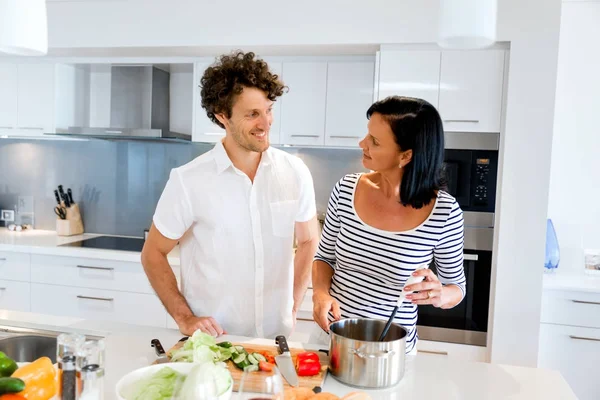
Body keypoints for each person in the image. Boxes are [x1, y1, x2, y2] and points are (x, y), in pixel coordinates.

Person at [142, 51, 320, 339]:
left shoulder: (295, 171)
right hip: (215, 343)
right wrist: (184, 317)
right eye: (252, 114)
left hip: (276, 341)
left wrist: (294, 303)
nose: (266, 123)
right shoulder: (188, 181)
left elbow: (310, 239)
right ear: (222, 116)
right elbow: (153, 253)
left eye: (268, 109)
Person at [312, 96, 466, 353]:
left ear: (406, 155)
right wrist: (320, 294)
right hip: (332, 339)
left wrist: (439, 294)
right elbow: (324, 257)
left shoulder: (444, 212)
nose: (362, 144)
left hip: (392, 352)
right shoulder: (347, 188)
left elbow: (456, 288)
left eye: (374, 141)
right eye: (367, 135)